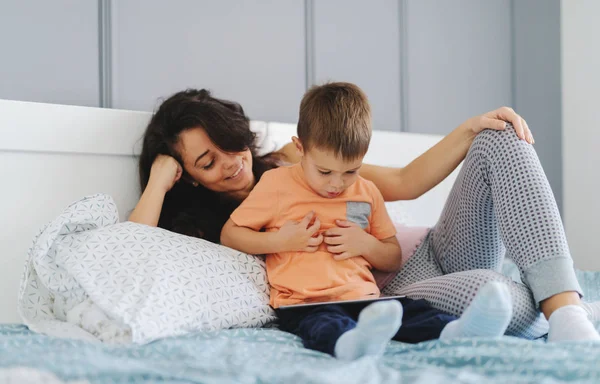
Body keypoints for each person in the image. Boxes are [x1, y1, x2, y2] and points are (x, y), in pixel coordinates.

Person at [130, 87, 600, 342]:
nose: (231, 162)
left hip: (427, 250)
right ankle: (559, 309)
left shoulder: (301, 159)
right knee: (493, 293)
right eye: (207, 161)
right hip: (388, 291)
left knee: (499, 135)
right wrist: (158, 178)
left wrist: (471, 128)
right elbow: (131, 246)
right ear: (189, 176)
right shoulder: (206, 226)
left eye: (229, 142)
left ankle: (565, 308)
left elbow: (402, 183)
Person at [219, 82, 514, 359]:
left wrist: (365, 245)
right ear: (300, 149)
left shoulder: (367, 191)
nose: (337, 184)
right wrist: (279, 241)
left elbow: (392, 257)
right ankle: (351, 344)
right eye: (325, 172)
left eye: (351, 171)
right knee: (323, 324)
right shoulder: (275, 184)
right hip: (305, 303)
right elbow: (230, 234)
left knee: (409, 311)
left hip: (364, 298)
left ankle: (457, 332)